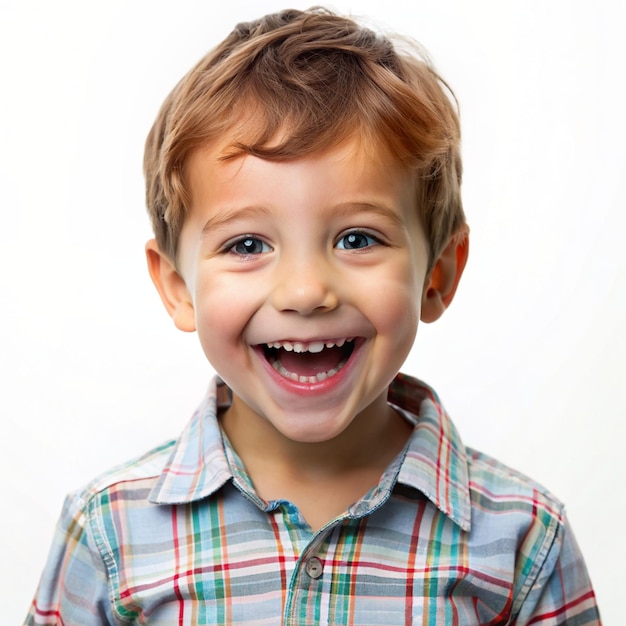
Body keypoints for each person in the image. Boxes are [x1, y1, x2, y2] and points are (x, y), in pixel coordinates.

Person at [25, 7, 601, 625]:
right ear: (177, 287)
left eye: (357, 239)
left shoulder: (523, 539)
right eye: (247, 245)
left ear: (439, 274)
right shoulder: (110, 530)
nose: (304, 291)